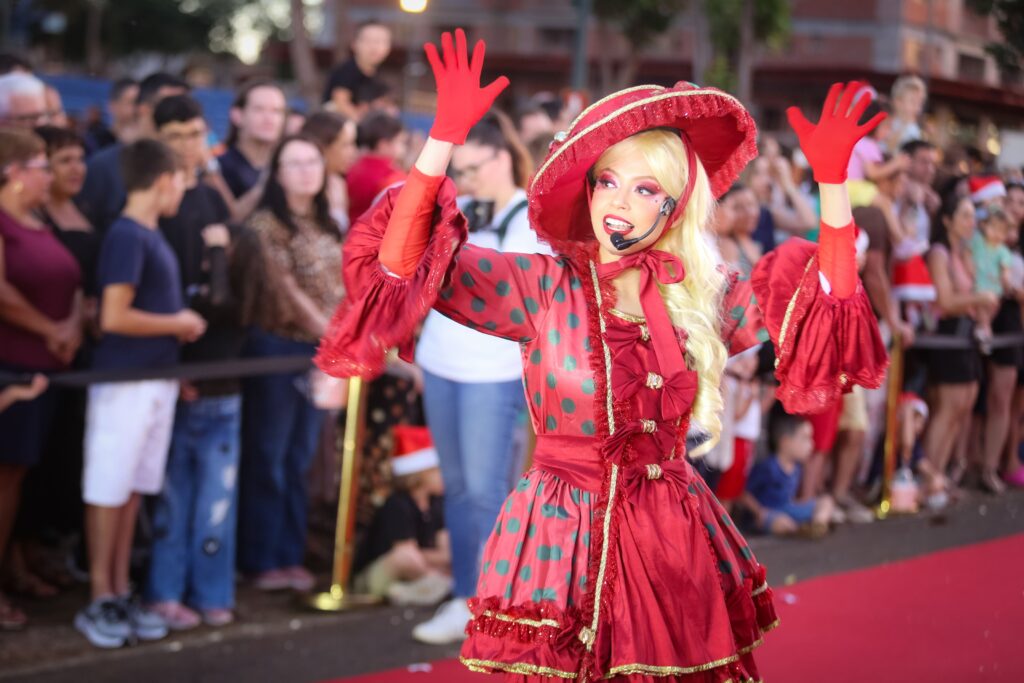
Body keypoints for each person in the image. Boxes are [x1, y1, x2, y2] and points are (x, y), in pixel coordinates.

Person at [317, 30, 887, 680]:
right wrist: (441, 140)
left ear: (675, 207)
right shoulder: (541, 286)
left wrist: (833, 188)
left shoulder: (703, 295)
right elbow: (401, 259)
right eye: (609, 180)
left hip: (671, 530)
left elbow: (826, 299)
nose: (620, 201)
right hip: (560, 530)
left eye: (647, 189)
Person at [410, 111, 549, 644]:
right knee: (459, 488)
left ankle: (483, 599)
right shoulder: (459, 208)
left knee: (484, 491)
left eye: (471, 168)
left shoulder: (531, 220)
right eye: (459, 171)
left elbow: (527, 303)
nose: (464, 180)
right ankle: (466, 591)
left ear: (500, 156)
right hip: (441, 361)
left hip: (492, 371)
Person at [75, 139, 206, 649]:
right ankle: (98, 596)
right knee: (109, 489)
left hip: (153, 380)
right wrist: (178, 321)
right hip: (124, 383)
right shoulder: (127, 236)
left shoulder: (147, 233)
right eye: (181, 178)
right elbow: (113, 316)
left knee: (130, 490)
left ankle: (118, 589)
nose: (185, 188)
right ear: (162, 180)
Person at [142, 95, 243, 629]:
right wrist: (173, 362)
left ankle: (211, 593)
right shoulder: (148, 204)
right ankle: (163, 592)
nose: (188, 144)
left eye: (196, 133)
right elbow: (158, 295)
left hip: (223, 364)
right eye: (177, 134)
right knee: (175, 496)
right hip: (174, 367)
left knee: (216, 498)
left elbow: (226, 289)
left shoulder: (208, 196)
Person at [239, 134, 343, 592]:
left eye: (312, 161)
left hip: (320, 350)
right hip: (279, 349)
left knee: (302, 457)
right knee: (270, 455)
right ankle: (263, 558)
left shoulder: (326, 223)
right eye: (294, 162)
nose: (305, 170)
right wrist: (333, 333)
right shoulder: (266, 225)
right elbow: (285, 291)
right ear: (277, 174)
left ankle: (289, 553)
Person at [0, 127, 82, 630]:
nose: (49, 175)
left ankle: (16, 566)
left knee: (23, 484)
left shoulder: (39, 219)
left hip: (49, 368)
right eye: (41, 166)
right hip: (13, 369)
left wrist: (70, 325)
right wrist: (51, 329)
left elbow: (71, 282)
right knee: (4, 481)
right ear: (13, 172)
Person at [919, 194, 995, 511]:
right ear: (948, 219)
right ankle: (928, 479)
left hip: (966, 335)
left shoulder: (965, 253)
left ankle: (940, 474)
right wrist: (979, 299)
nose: (971, 222)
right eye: (964, 215)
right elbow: (947, 301)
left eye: (972, 216)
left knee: (962, 409)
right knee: (947, 409)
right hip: (947, 334)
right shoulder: (939, 253)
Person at [76, 72, 190, 235]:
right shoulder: (103, 167)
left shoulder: (184, 170)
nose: (182, 117)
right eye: (172, 107)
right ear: (144, 109)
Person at [352, 425, 451, 606]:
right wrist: (437, 568)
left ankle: (410, 591)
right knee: (404, 557)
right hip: (379, 573)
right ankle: (437, 586)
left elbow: (445, 553)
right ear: (422, 473)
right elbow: (408, 557)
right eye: (438, 470)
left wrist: (435, 560)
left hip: (417, 573)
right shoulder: (397, 504)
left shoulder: (436, 504)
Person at [741, 406, 834, 537]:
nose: (811, 444)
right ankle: (801, 529)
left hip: (788, 509)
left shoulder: (797, 467)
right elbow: (743, 493)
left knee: (826, 501)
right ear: (785, 442)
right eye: (805, 438)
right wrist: (759, 511)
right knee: (780, 523)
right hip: (768, 513)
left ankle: (817, 525)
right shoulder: (769, 467)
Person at [216, 80, 287, 219]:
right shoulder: (219, 168)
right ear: (237, 115)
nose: (269, 119)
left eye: (277, 111)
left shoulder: (287, 164)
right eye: (259, 109)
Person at [301, 111, 359, 233]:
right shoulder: (305, 186)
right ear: (324, 146)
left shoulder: (338, 183)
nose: (353, 152)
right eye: (346, 145)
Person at [323, 20, 393, 120]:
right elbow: (340, 103)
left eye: (381, 41)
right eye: (368, 41)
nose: (374, 47)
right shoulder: (346, 71)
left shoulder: (380, 76)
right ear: (354, 44)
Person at [346, 110, 408, 224]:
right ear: (383, 144)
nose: (403, 148)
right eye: (400, 142)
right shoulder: (393, 177)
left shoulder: (352, 166)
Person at [968, 204, 1013, 353]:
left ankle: (983, 331)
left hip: (994, 288)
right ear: (984, 225)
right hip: (978, 285)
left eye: (1001, 231)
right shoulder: (978, 241)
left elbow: (1006, 270)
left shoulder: (1003, 251)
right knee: (982, 311)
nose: (996, 234)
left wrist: (1006, 280)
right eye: (993, 228)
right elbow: (967, 251)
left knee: (990, 312)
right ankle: (985, 333)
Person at [85, 78, 139, 156]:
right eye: (132, 103)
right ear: (112, 106)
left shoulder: (148, 143)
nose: (138, 109)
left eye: (140, 103)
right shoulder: (94, 142)